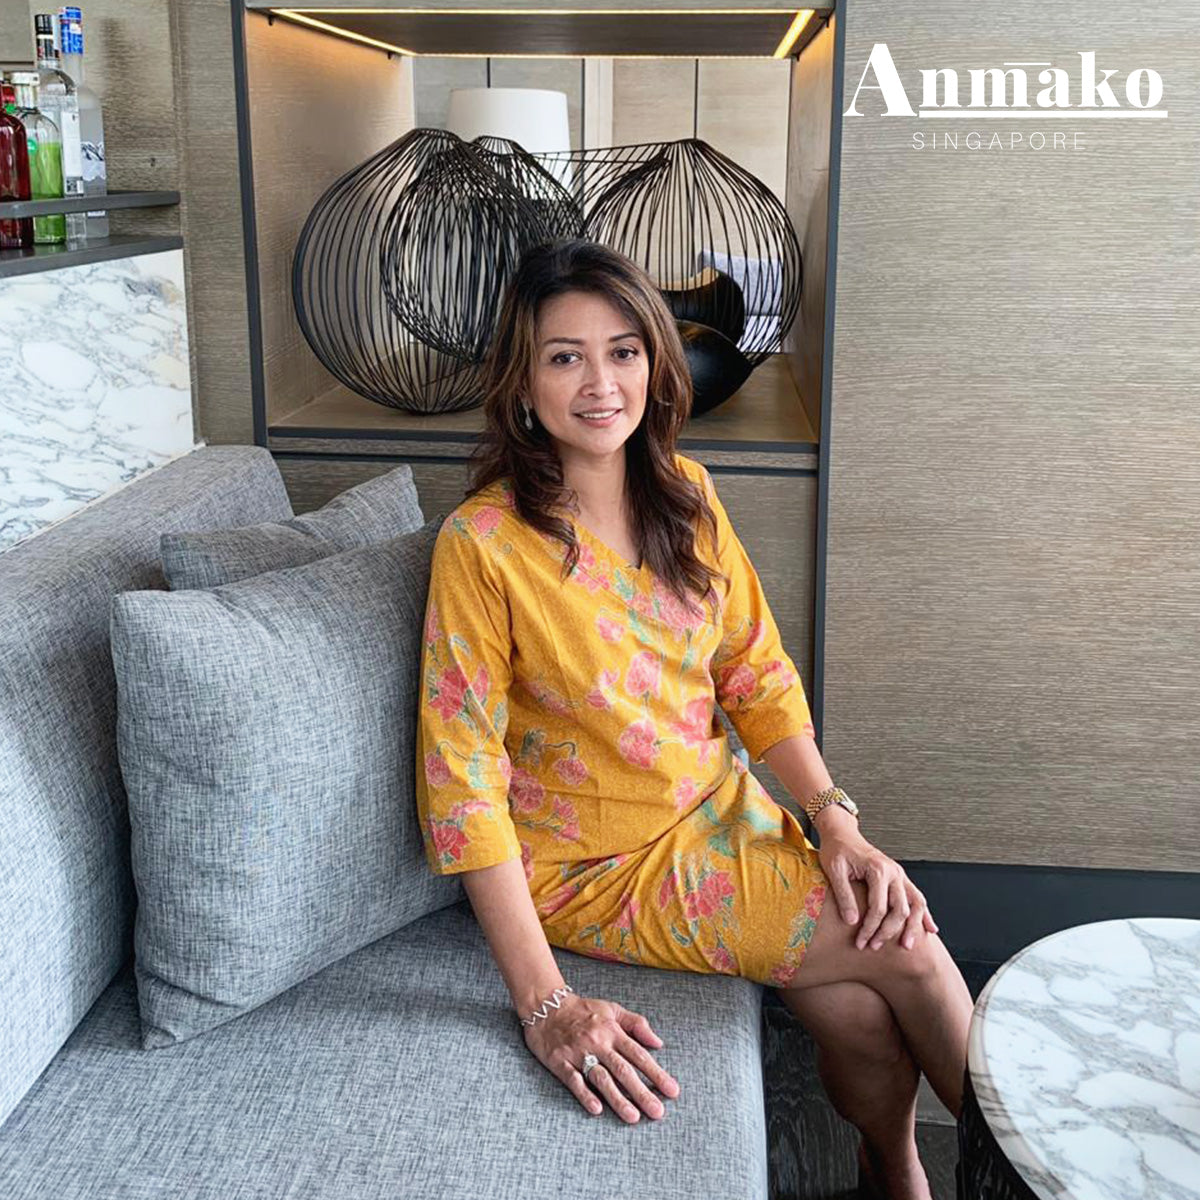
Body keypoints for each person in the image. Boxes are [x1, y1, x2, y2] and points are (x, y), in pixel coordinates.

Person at [414, 237, 973, 1200]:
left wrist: (836, 824)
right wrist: (545, 1004)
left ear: (655, 363)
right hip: (598, 866)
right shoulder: (483, 546)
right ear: (522, 383)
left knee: (854, 1009)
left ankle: (896, 1168)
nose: (600, 382)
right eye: (565, 355)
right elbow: (461, 783)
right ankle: (1030, 1176)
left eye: (624, 350)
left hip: (719, 813)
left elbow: (755, 675)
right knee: (910, 952)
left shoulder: (689, 496)